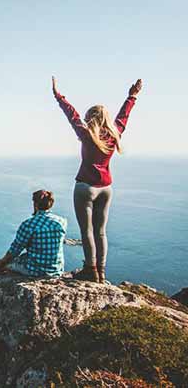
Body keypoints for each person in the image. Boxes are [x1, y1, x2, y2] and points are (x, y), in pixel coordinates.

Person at [52, 76, 142, 283]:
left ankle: (90, 270)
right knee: (101, 232)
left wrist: (58, 95)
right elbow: (124, 116)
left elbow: (71, 113)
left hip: (85, 187)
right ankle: (101, 272)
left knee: (87, 231)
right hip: (106, 188)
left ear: (90, 118)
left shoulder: (86, 133)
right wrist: (132, 95)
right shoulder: (115, 134)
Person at [0, 190, 67, 297]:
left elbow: (15, 250)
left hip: (36, 269)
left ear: (35, 204)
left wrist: (2, 262)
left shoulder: (29, 224)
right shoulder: (62, 221)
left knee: (0, 265)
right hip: (56, 269)